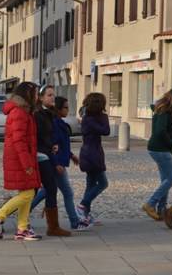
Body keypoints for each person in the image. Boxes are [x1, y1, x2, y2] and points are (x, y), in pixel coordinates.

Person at [0, 82, 42, 241]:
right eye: (35, 93)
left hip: (22, 158)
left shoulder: (25, 111)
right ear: (28, 95)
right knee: (28, 193)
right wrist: (27, 164)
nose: (37, 96)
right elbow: (19, 141)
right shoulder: (19, 113)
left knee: (27, 192)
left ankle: (22, 228)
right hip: (19, 160)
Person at [31, 96, 90, 231]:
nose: (68, 110)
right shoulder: (56, 123)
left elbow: (62, 145)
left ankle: (21, 212)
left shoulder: (59, 122)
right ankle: (74, 222)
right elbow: (53, 144)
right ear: (58, 109)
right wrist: (57, 163)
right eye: (65, 107)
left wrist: (71, 155)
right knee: (67, 193)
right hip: (56, 163)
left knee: (45, 191)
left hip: (58, 161)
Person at [33, 85, 70, 237]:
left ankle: (53, 227)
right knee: (37, 191)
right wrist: (52, 150)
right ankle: (0, 215)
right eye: (49, 95)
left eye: (53, 95)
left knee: (45, 190)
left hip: (47, 154)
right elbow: (41, 137)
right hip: (41, 155)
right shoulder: (39, 114)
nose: (52, 97)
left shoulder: (50, 114)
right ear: (41, 98)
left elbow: (50, 137)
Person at [142, 90, 172, 221]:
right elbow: (160, 131)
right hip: (161, 149)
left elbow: (161, 127)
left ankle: (161, 210)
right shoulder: (165, 112)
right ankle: (150, 203)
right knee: (171, 179)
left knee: (165, 179)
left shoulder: (161, 110)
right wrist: (171, 143)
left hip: (156, 148)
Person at [76, 93, 110, 224]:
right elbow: (106, 130)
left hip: (89, 153)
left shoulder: (88, 118)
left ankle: (85, 214)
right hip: (92, 155)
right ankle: (82, 205)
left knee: (90, 185)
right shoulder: (90, 119)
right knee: (103, 183)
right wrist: (104, 116)